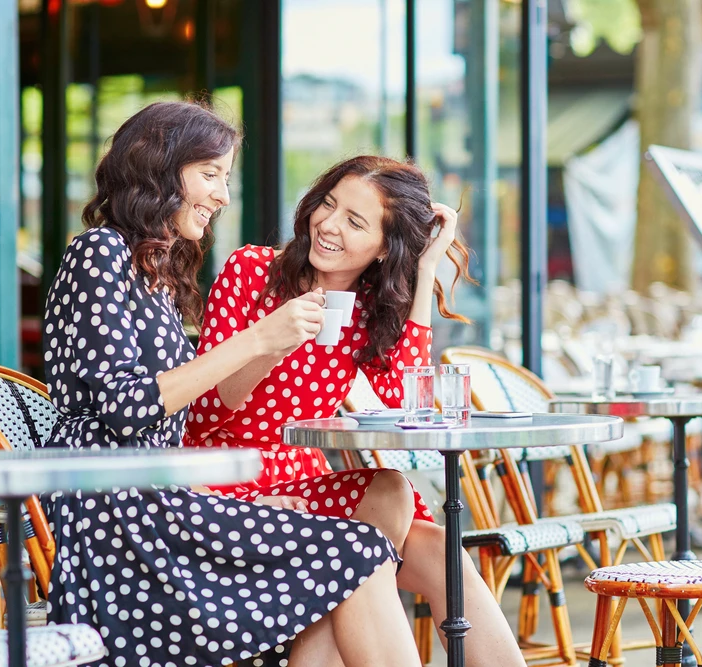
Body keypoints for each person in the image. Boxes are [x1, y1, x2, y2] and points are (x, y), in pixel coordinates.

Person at [40, 102, 423, 667]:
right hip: (112, 506)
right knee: (357, 554)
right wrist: (259, 340)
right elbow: (125, 408)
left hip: (159, 495)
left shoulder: (154, 272)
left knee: (356, 550)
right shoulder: (100, 252)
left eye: (226, 177)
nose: (222, 195)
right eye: (210, 174)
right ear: (161, 170)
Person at [185, 155, 527, 666]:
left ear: (385, 246)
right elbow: (207, 413)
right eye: (328, 204)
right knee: (392, 501)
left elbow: (398, 404)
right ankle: (332, 621)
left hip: (306, 482)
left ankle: (327, 622)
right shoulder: (253, 271)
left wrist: (424, 268)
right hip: (225, 480)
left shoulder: (370, 306)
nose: (328, 225)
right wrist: (272, 342)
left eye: (355, 221)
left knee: (432, 543)